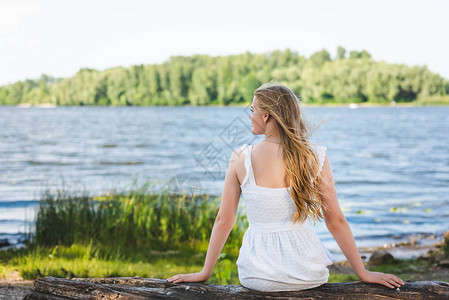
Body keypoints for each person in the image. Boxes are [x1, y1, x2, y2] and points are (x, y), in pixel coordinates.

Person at [166, 82, 405, 291]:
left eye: (252, 110)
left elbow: (223, 220)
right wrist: (363, 272)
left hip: (258, 275)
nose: (250, 115)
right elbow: (335, 221)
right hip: (307, 274)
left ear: (267, 116)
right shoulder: (314, 157)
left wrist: (204, 273)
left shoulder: (241, 158)